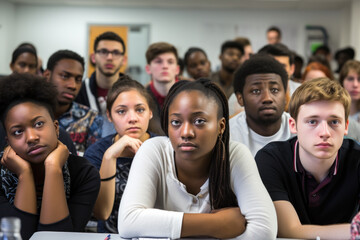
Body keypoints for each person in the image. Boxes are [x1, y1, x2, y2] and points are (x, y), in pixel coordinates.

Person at [118, 79, 277, 239]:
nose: (186, 132)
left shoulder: (235, 155)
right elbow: (128, 222)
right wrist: (216, 223)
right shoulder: (154, 151)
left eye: (199, 121)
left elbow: (264, 230)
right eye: (176, 122)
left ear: (221, 126)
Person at [256, 77, 360, 239]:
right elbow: (288, 230)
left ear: (346, 126)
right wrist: (355, 230)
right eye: (312, 121)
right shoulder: (271, 160)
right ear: (293, 125)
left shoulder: (357, 159)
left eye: (334, 122)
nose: (325, 132)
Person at [0, 73, 100, 240]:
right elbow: (20, 237)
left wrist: (53, 169)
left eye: (39, 124)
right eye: (17, 132)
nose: (31, 137)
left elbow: (59, 238)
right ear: (8, 141)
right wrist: (25, 175)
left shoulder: (84, 174)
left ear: (56, 127)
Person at [84, 76, 156, 233]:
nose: (132, 119)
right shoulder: (97, 153)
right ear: (109, 116)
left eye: (140, 110)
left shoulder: (164, 148)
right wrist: (110, 156)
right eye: (121, 111)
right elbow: (102, 213)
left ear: (150, 112)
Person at [230, 54, 294, 156]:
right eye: (256, 91)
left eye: (274, 90)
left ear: (285, 96)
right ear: (240, 98)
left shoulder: (299, 129)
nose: (267, 98)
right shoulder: (228, 135)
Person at [44, 50, 103, 155]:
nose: (73, 85)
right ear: (47, 75)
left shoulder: (91, 118)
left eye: (78, 79)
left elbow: (93, 164)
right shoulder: (28, 114)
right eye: (65, 76)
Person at [75, 31, 127, 137]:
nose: (109, 57)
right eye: (104, 51)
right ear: (93, 57)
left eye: (116, 52)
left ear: (124, 60)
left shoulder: (134, 92)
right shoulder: (80, 90)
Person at [145, 42, 180, 135]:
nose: (165, 66)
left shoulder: (191, 94)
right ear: (148, 68)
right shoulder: (141, 97)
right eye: (158, 61)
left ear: (177, 69)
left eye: (170, 62)